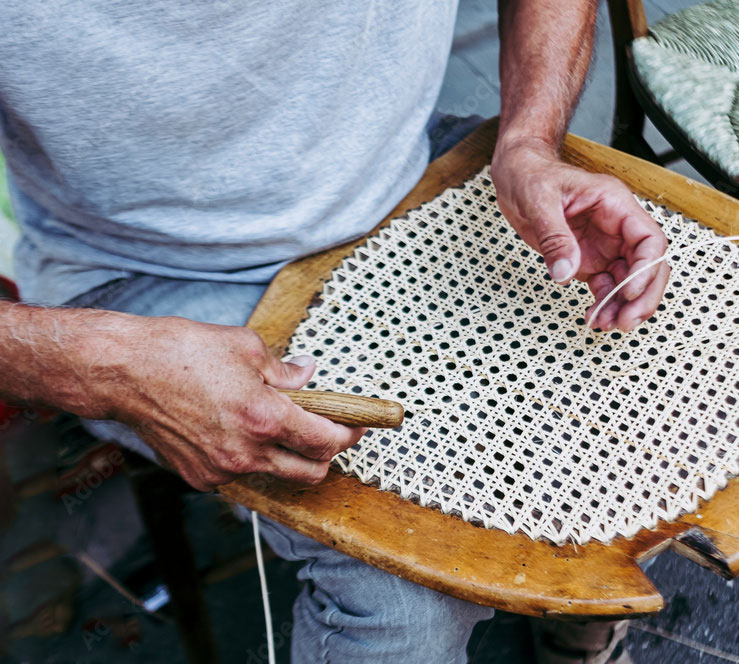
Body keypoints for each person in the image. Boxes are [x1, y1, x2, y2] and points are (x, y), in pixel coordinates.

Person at [0, 2, 669, 662]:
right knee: (411, 599)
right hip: (150, 268)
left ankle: (579, 624)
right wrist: (112, 366)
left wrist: (529, 140)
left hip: (409, 167)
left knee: (648, 368)